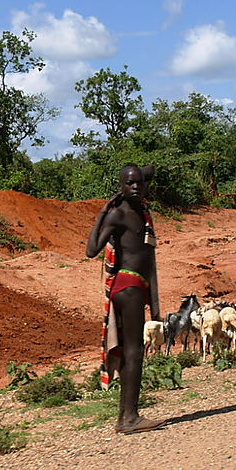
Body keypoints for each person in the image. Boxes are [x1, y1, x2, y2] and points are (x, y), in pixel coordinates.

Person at [86, 163, 164, 434]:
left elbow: (149, 171)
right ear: (119, 186)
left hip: (134, 287)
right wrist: (102, 213)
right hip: (128, 286)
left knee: (133, 350)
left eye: (138, 183)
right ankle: (129, 417)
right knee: (134, 351)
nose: (135, 186)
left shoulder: (141, 210)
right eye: (129, 183)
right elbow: (91, 250)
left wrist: (143, 172)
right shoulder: (118, 214)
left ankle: (127, 416)